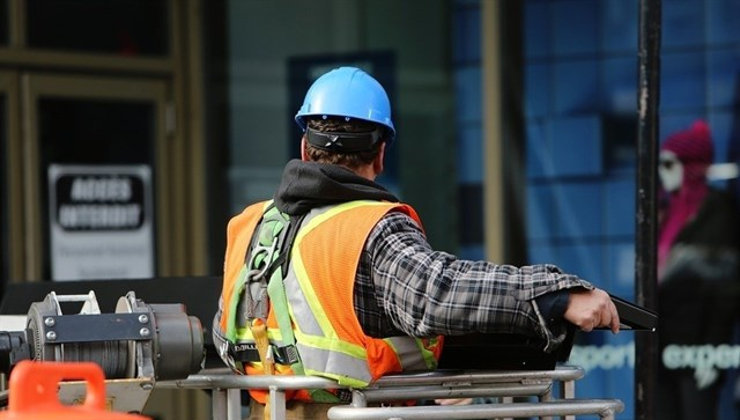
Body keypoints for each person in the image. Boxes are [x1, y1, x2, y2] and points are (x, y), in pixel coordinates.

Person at [212, 66, 619, 420]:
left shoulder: (250, 226)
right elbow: (437, 293)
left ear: (304, 147)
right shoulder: (370, 227)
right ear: (381, 154)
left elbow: (226, 333)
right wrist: (556, 296)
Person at [655, 120, 740, 420]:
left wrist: (713, 352)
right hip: (661, 344)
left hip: (698, 346)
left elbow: (724, 288)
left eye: (668, 164)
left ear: (689, 166)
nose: (661, 172)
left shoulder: (718, 210)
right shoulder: (663, 211)